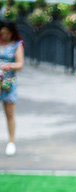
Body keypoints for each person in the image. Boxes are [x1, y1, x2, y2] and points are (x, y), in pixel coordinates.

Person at [0, 20, 24, 157]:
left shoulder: (16, 45)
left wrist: (10, 65)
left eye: (7, 33)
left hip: (8, 83)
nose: (4, 36)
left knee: (9, 113)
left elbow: (20, 64)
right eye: (2, 33)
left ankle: (11, 141)